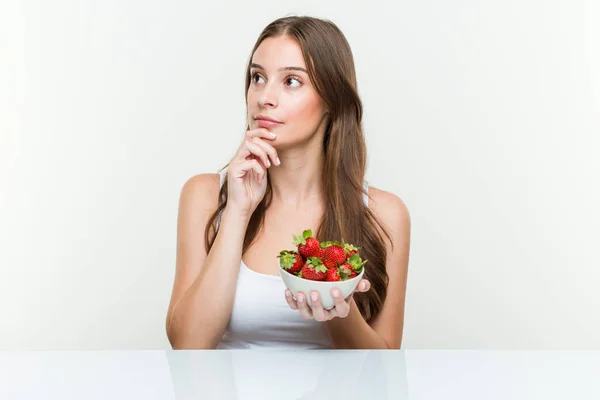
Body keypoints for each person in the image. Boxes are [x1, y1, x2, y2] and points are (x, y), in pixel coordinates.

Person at [165, 16, 411, 349]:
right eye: (257, 77)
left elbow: (385, 367)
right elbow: (187, 345)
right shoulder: (206, 196)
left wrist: (338, 312)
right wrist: (238, 211)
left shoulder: (385, 213)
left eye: (291, 81)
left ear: (331, 100)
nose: (264, 97)